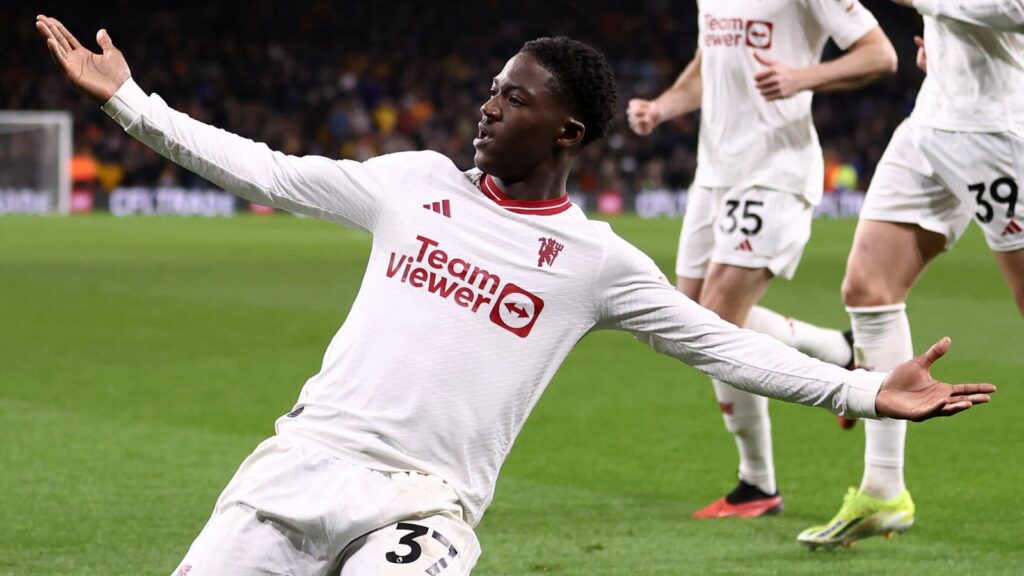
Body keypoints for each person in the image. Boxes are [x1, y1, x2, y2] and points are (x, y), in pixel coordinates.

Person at [36, 14, 995, 575]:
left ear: (569, 129)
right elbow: (267, 171)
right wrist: (129, 101)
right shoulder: (411, 182)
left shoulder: (595, 261)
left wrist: (865, 389)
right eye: (492, 87)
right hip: (300, 466)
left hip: (423, 507)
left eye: (515, 96)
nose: (489, 103)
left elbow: (719, 342)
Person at [626, 0, 897, 518]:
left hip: (774, 170)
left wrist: (803, 77)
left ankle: (757, 484)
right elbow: (712, 62)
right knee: (687, 320)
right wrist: (663, 107)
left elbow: (879, 55)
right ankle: (838, 350)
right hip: (714, 176)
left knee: (720, 323)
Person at [797, 0, 1024, 550]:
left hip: (997, 132)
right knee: (867, 288)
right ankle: (883, 490)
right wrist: (943, 40)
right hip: (931, 123)